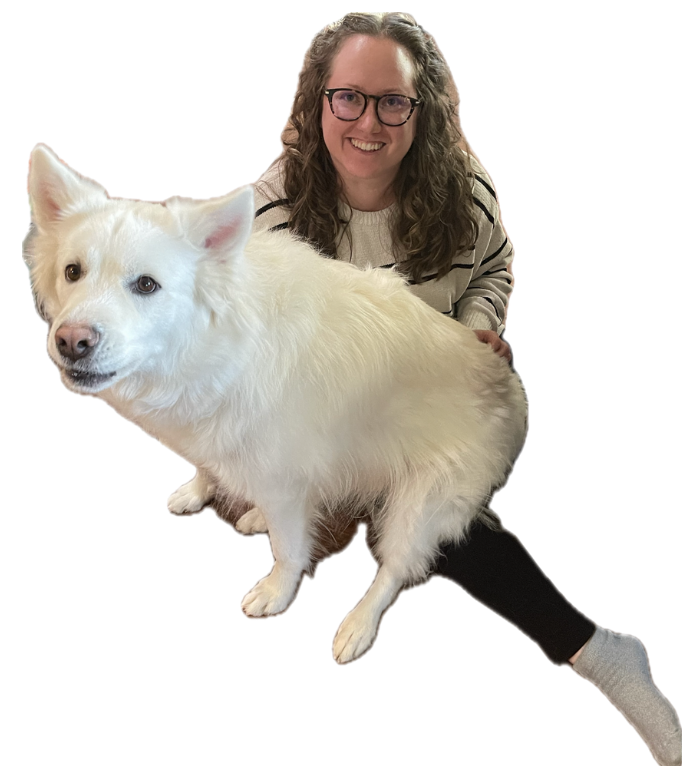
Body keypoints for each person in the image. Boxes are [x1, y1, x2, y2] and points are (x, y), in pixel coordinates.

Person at [250, 12, 681, 765]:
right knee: (261, 489)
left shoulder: (462, 187)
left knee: (419, 521)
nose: (370, 123)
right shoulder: (271, 205)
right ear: (317, 101)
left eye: (393, 102)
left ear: (421, 111)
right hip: (337, 407)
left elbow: (494, 268)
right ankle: (356, 519)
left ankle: (596, 651)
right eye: (348, 98)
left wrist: (481, 322)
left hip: (455, 393)